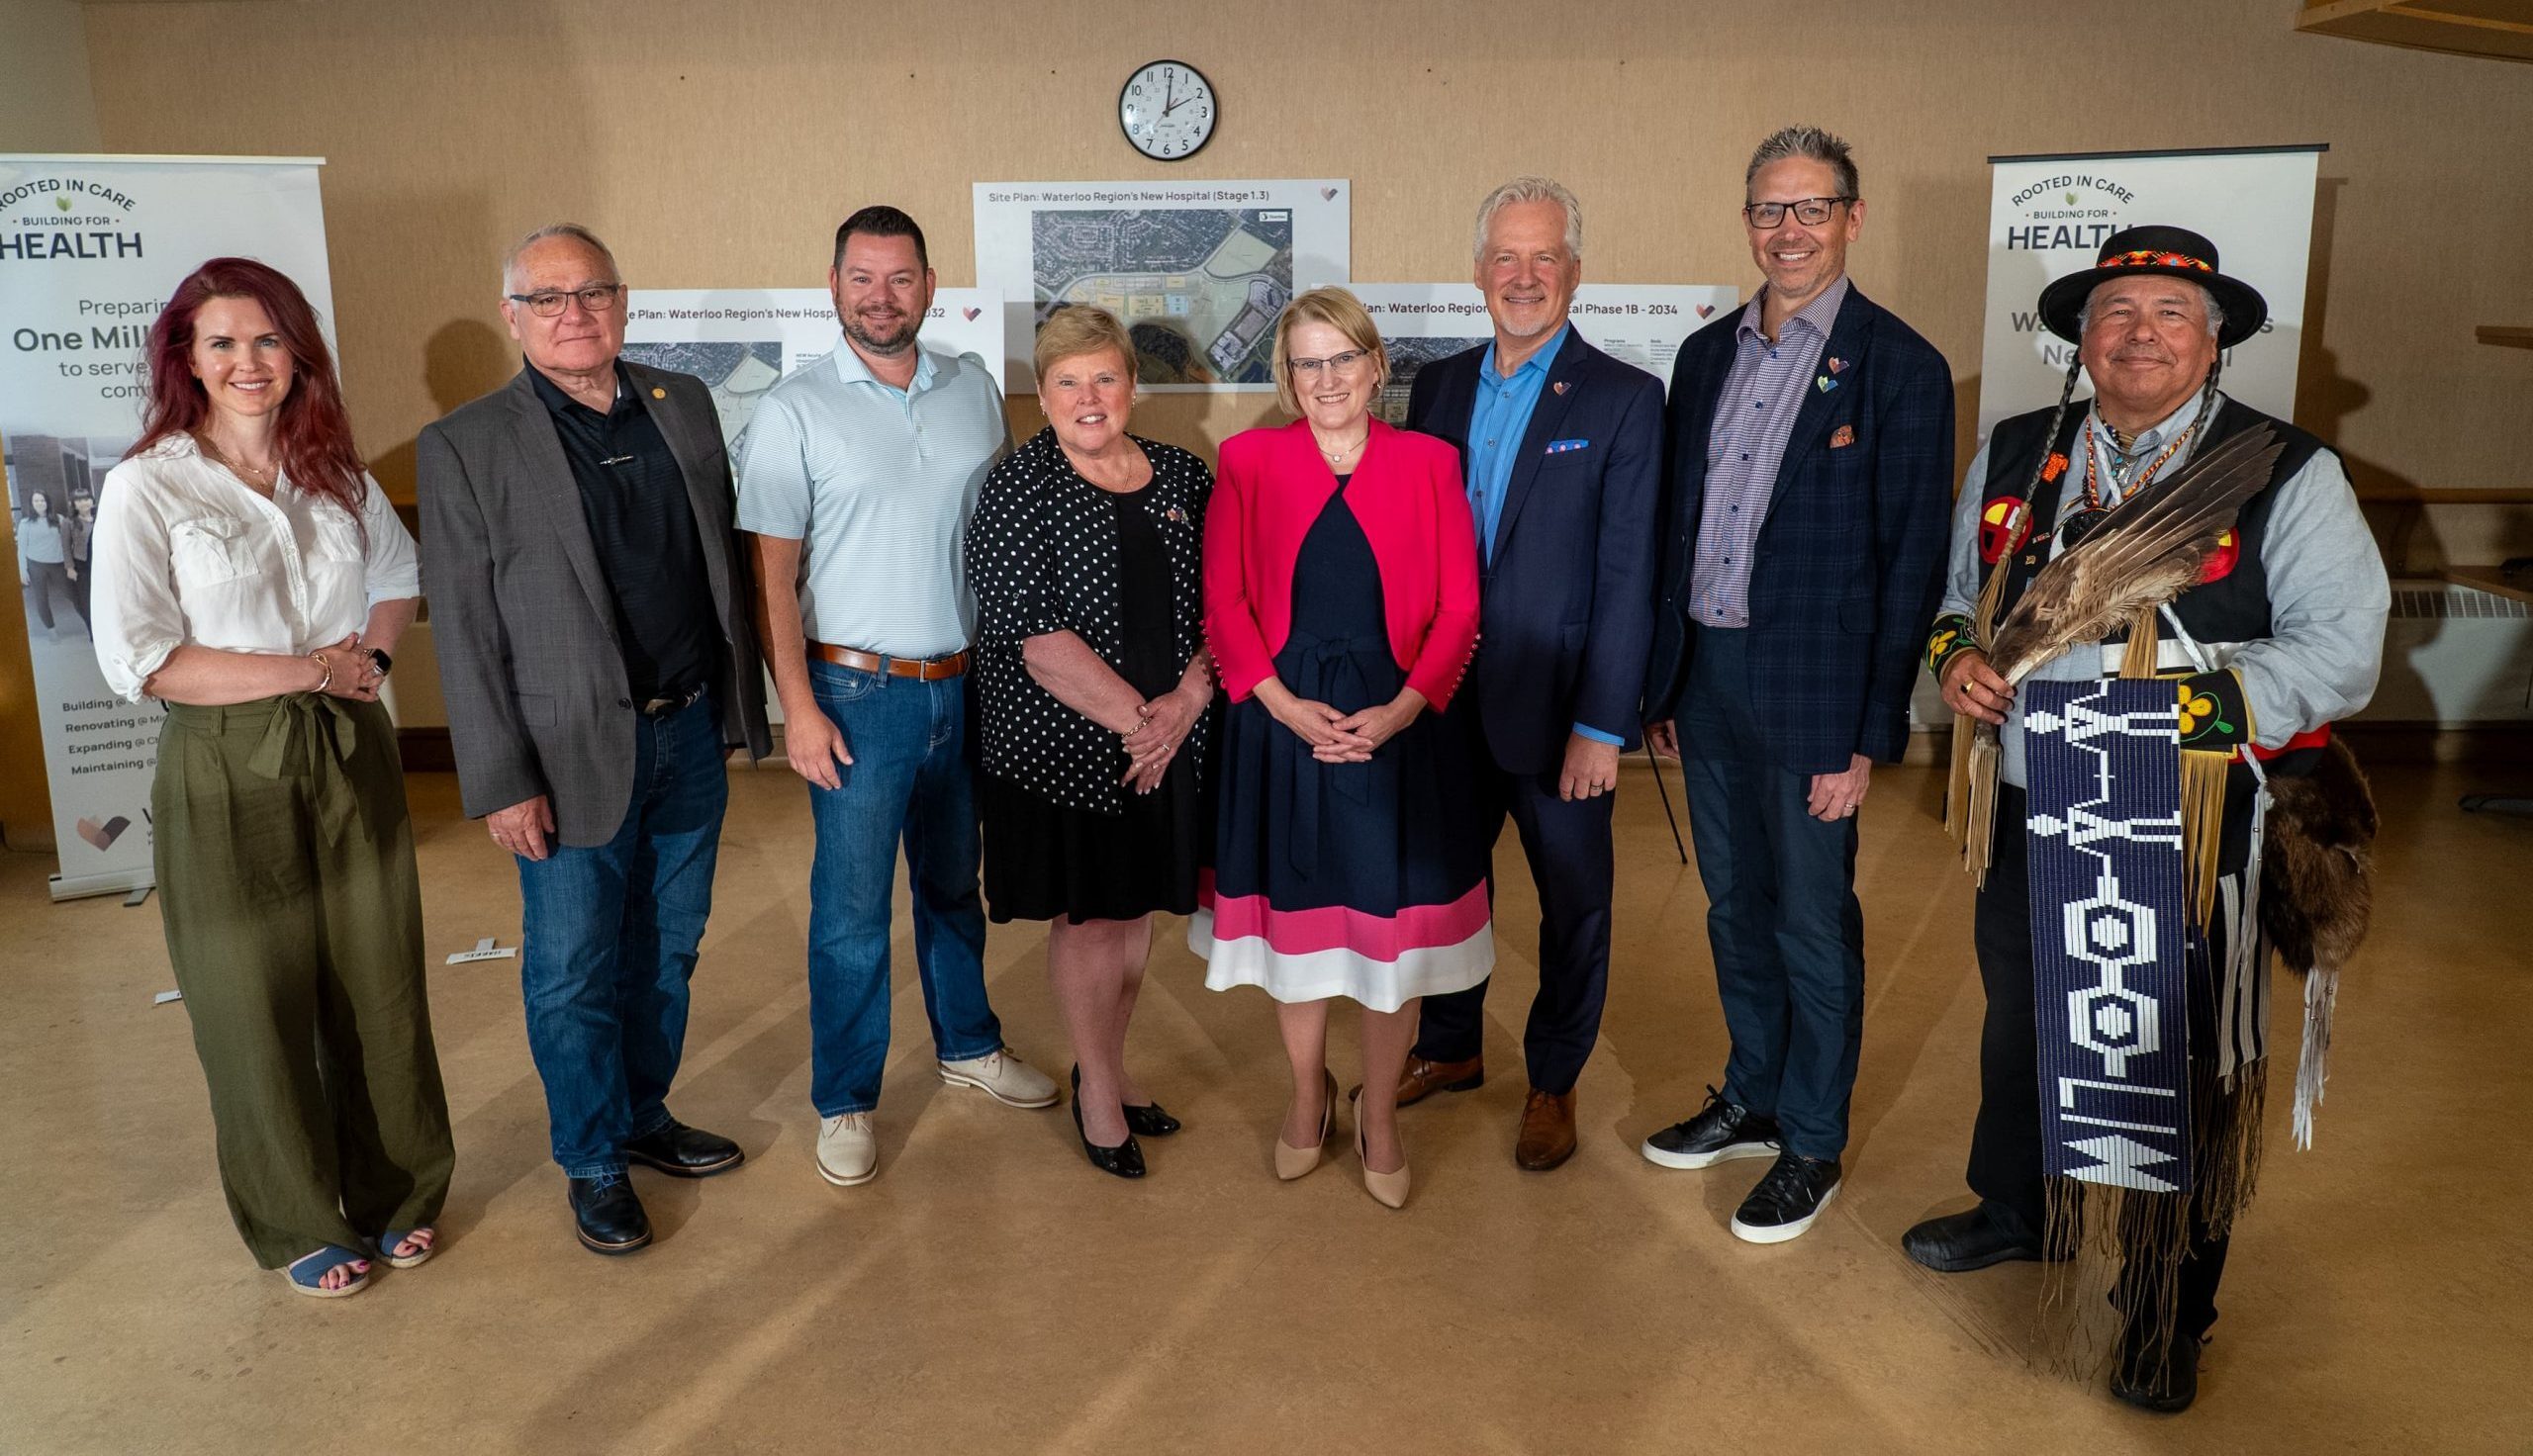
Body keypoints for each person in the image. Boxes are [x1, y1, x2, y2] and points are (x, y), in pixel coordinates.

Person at [1907, 226, 2388, 1411]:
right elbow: (1958, 598)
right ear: (2080, 334)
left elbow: (2343, 651)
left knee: (2178, 1062)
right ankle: (2021, 1208)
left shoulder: (2281, 468)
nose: (2138, 334)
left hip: (2192, 809)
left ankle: (2166, 1306)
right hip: (2029, 798)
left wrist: (2195, 704)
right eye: (2115, 312)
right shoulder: (2021, 453)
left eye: (2171, 314)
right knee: (2023, 1018)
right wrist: (1956, 655)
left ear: (2213, 341)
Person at [89, 256, 452, 1298]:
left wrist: (368, 665)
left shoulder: (333, 470)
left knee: (377, 980)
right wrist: (312, 668)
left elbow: (395, 573)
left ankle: (400, 1191)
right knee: (249, 997)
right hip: (222, 754)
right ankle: (297, 1214)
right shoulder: (147, 485)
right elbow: (143, 657)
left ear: (297, 354)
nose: (249, 361)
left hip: (348, 745)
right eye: (223, 343)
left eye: (268, 340)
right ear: (187, 362)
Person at [420, 224, 770, 1257]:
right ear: (512, 315)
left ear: (624, 301)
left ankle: (641, 1115)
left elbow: (718, 565)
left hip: (687, 735)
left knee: (667, 949)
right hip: (564, 757)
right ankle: (590, 1159)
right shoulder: (467, 443)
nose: (575, 314)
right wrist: (499, 779)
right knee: (572, 969)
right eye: (548, 297)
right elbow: (468, 627)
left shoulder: (683, 404)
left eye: (594, 292)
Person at [1640, 126, 1955, 1242]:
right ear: (1748, 222)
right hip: (1707, 673)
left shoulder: (1900, 366)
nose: (1788, 230)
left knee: (1813, 922)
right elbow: (1677, 525)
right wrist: (1661, 685)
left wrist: (1870, 730)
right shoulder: (1705, 354)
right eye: (1770, 210)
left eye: (1811, 208)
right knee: (1733, 907)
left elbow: (1911, 560)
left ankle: (1812, 1138)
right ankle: (1755, 1093)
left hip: (1816, 693)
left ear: (1851, 219)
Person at [737, 205, 1057, 1191]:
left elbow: (997, 539)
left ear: (929, 283)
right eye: (863, 278)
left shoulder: (970, 390)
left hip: (963, 685)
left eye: (902, 277)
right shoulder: (793, 410)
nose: (883, 296)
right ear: (834, 286)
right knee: (848, 909)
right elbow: (771, 577)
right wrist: (798, 704)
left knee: (956, 884)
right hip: (853, 689)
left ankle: (967, 1041)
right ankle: (846, 1098)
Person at [1390, 177, 1664, 1171]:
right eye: (1505, 258)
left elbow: (1630, 575)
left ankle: (1553, 1077)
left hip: (1556, 714)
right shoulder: (1437, 387)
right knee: (1447, 886)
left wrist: (1602, 726)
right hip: (1442, 698)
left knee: (1573, 900)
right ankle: (1451, 1045)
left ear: (1574, 273)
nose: (1523, 276)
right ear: (1477, 274)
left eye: (1543, 257)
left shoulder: (1625, 399)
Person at [1197, 285, 1489, 1210]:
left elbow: (1460, 608)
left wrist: (1407, 708)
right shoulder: (1245, 461)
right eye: (1306, 363)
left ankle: (1381, 1117)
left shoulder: (1432, 462)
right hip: (1282, 724)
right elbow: (1224, 606)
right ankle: (1305, 1094)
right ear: (1286, 377)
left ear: (1376, 366)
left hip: (1399, 728)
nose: (1326, 379)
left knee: (1387, 941)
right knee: (1302, 934)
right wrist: (1281, 705)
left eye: (1342, 359)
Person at [967, 305, 1215, 1178]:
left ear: (1133, 386)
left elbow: (1225, 605)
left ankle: (1106, 1066)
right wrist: (1144, 725)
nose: (1088, 396)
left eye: (1104, 377)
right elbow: (1036, 640)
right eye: (1068, 381)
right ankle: (1100, 1096)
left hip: (1171, 741)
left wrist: (1186, 699)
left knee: (1137, 912)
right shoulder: (1017, 486)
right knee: (1092, 921)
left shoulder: (1186, 476)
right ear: (1043, 395)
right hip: (1062, 752)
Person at [15, 490, 83, 638]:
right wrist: (22, 569)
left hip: (58, 563)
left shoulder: (58, 519)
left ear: (47, 503)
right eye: (36, 501)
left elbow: (67, 542)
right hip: (36, 565)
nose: (40, 503)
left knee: (73, 595)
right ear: (31, 504)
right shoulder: (25, 524)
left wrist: (70, 563)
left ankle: (89, 621)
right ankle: (51, 630)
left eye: (42, 500)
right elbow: (22, 549)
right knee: (41, 598)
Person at [65, 493, 96, 626]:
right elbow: (65, 546)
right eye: (79, 500)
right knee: (86, 600)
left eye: (86, 499)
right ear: (73, 504)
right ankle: (92, 630)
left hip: (100, 563)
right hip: (82, 565)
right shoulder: (69, 522)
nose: (84, 503)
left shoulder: (99, 518)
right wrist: (70, 568)